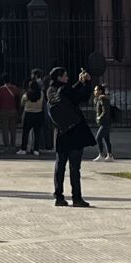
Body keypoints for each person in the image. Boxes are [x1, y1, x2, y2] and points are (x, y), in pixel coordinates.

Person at [49, 65, 94, 207]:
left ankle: (59, 196)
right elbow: (82, 97)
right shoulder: (65, 90)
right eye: (65, 75)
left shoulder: (51, 91)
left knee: (60, 165)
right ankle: (77, 197)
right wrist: (87, 82)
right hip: (74, 132)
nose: (67, 78)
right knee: (74, 167)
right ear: (60, 77)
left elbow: (70, 94)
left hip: (60, 132)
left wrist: (79, 83)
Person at [20, 71, 47, 153]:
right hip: (38, 113)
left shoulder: (27, 94)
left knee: (25, 132)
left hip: (28, 113)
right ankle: (36, 149)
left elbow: (22, 103)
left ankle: (23, 149)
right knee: (37, 133)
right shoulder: (41, 93)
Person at [0, 76, 20, 153]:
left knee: (5, 130)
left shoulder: (1, 89)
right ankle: (13, 145)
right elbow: (18, 99)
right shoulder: (15, 88)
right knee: (13, 130)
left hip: (3, 111)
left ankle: (6, 146)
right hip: (13, 111)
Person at [91, 76, 116, 160]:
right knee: (106, 139)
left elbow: (105, 111)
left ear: (100, 91)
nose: (95, 92)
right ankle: (110, 156)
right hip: (104, 122)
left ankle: (101, 154)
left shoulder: (103, 99)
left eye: (96, 90)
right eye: (94, 90)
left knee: (98, 138)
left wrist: (99, 117)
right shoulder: (99, 99)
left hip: (105, 122)